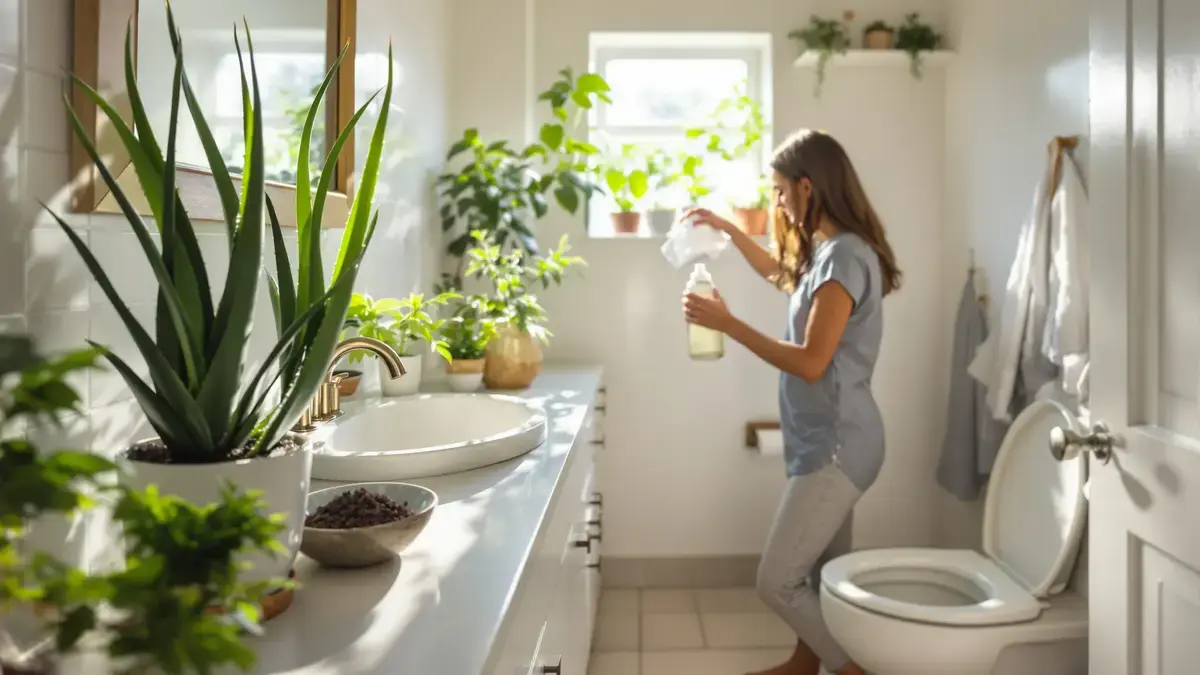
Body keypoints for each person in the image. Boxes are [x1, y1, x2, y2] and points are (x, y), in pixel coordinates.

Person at [681, 129, 901, 675]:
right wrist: (730, 230)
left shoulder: (845, 255)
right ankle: (806, 667)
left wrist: (727, 324)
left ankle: (855, 671)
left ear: (807, 187)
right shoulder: (830, 251)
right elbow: (784, 274)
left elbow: (810, 361)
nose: (776, 203)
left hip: (839, 447)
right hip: (826, 441)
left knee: (777, 580)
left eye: (779, 192)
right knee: (822, 575)